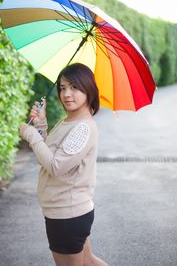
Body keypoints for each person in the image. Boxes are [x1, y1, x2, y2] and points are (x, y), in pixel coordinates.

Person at [20, 63, 109, 266]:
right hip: (70, 212)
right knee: (88, 262)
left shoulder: (83, 128)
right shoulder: (68, 120)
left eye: (74, 87)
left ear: (89, 90)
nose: (67, 94)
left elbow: (56, 167)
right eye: (62, 88)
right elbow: (48, 156)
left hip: (67, 215)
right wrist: (41, 125)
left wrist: (31, 135)